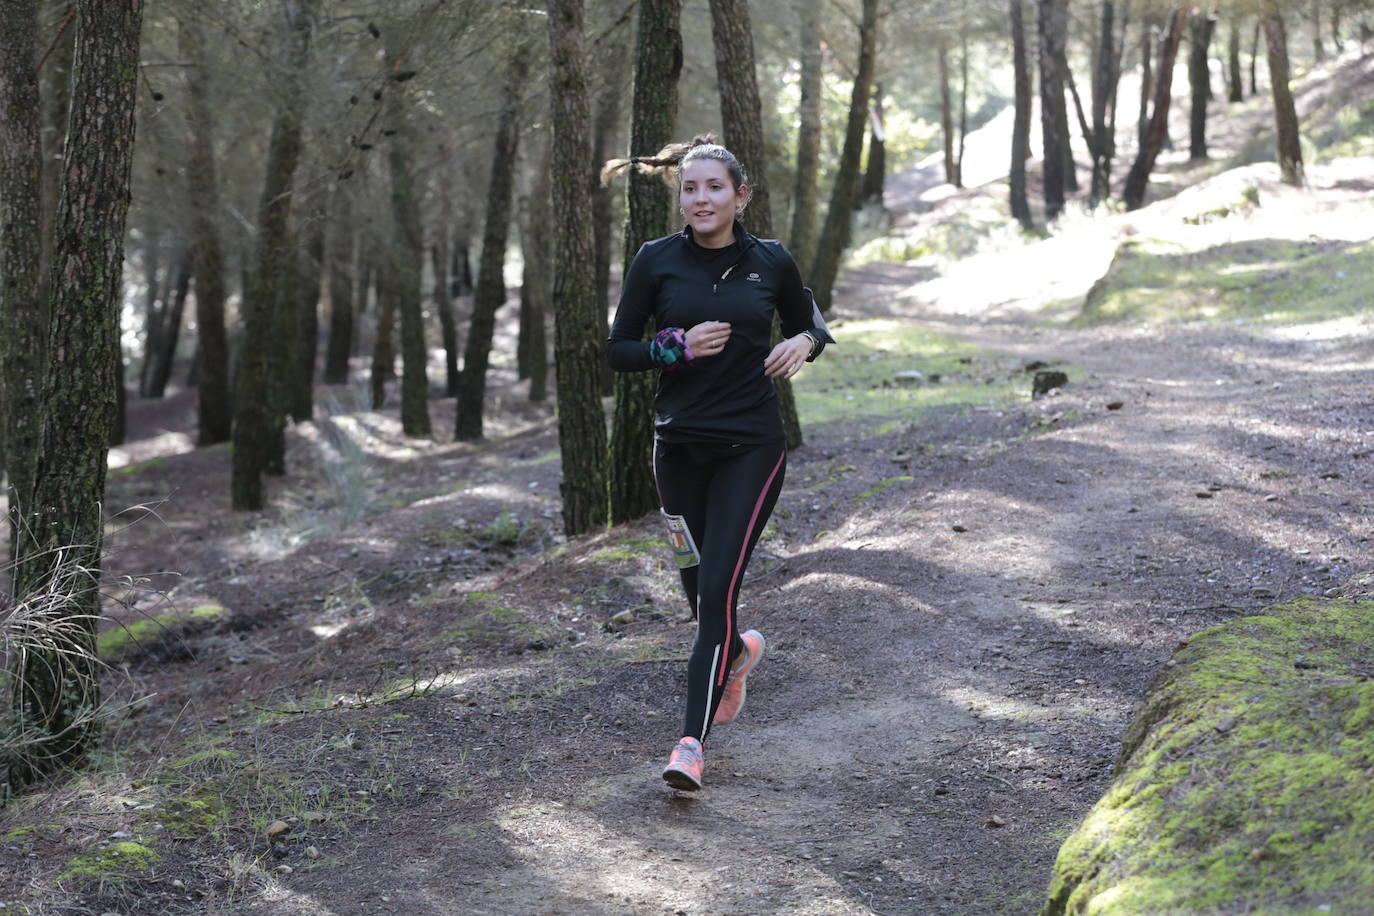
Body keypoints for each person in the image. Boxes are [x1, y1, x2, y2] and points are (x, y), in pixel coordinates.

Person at [603, 135, 831, 791]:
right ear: (681, 197)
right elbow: (619, 350)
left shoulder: (770, 261)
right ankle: (736, 654)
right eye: (690, 188)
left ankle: (689, 746)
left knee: (714, 594)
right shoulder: (656, 261)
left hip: (750, 450)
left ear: (739, 196)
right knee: (695, 590)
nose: (701, 199)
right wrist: (673, 347)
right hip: (676, 449)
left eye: (713, 188)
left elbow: (810, 318)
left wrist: (804, 342)